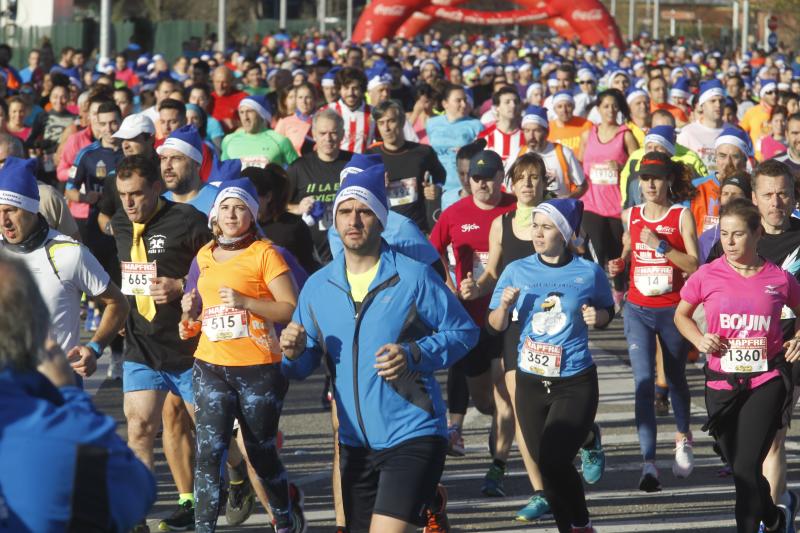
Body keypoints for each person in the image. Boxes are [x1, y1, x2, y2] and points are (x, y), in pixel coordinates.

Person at [280, 162, 479, 533]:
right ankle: (430, 505)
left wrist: (414, 355)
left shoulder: (412, 276)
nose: (354, 220)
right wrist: (290, 354)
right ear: (335, 221)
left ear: (382, 219)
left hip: (413, 433)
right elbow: (301, 365)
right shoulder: (318, 287)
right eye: (345, 211)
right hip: (355, 445)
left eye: (364, 211)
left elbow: (464, 331)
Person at [178, 178, 306, 533]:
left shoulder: (265, 254)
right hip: (210, 365)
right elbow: (201, 316)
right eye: (226, 207)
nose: (232, 214)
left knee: (260, 453)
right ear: (214, 215)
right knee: (208, 453)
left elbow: (290, 309)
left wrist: (247, 302)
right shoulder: (204, 255)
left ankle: (284, 518)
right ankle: (204, 528)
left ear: (252, 214)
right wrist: (188, 315)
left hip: (258, 368)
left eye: (240, 208)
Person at [0, 253, 156, 532]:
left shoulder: (70, 252)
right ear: (33, 326)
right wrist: (68, 395)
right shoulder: (65, 429)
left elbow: (116, 301)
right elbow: (136, 492)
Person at [487, 198, 614, 533]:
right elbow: (495, 325)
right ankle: (569, 527)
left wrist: (597, 316)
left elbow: (607, 310)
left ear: (564, 232)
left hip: (574, 380)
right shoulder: (517, 270)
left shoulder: (587, 272)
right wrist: (503, 306)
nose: (537, 233)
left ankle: (582, 523)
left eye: (546, 227)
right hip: (530, 381)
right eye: (535, 226)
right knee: (547, 467)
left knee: (556, 459)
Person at [674, 198, 800, 533]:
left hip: (766, 380)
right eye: (724, 234)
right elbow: (681, 315)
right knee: (741, 468)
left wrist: (798, 337)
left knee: (745, 468)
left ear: (758, 234)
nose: (728, 242)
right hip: (721, 383)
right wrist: (699, 340)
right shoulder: (707, 274)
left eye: (738, 234)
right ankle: (775, 518)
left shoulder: (780, 278)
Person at [110, 154, 213, 532]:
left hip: (189, 345)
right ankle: (136, 516)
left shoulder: (188, 221)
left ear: (157, 187)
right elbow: (123, 270)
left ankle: (238, 478)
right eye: (123, 195)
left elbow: (222, 269)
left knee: (211, 430)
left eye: (137, 193)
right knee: (138, 426)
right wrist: (122, 308)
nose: (129, 203)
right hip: (141, 343)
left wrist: (183, 285)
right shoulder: (121, 223)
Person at [608, 152, 699, 491]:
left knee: (675, 379)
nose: (650, 184)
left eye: (657, 178)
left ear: (669, 181)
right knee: (644, 383)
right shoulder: (629, 215)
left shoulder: (681, 215)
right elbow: (626, 254)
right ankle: (649, 464)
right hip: (638, 310)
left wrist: (660, 245)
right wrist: (618, 265)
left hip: (673, 310)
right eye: (645, 178)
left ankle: (682, 438)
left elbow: (694, 266)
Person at [430, 149, 518, 492]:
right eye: (476, 178)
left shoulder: (515, 209)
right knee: (484, 400)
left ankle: (497, 466)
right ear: (468, 180)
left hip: (510, 315)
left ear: (501, 177)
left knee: (505, 394)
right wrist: (449, 283)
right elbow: (431, 249)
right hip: (470, 319)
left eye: (489, 176)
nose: (482, 183)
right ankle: (499, 431)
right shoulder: (455, 213)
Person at [0, 156, 128, 376]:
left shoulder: (69, 253)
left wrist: (94, 348)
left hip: (57, 384)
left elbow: (118, 303)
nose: (3, 221)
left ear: (31, 208)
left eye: (11, 210)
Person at [579, 89, 639, 307]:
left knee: (616, 254)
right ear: (598, 108)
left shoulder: (626, 135)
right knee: (596, 251)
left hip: (616, 205)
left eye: (614, 106)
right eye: (606, 106)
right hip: (591, 203)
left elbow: (637, 166)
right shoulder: (588, 134)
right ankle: (593, 295)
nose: (610, 110)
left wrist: (622, 166)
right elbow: (578, 164)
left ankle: (619, 291)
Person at [367, 99, 445, 232]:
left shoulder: (423, 152)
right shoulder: (370, 156)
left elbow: (440, 176)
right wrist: (376, 186)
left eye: (391, 121)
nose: (386, 128)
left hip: (417, 229)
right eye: (381, 123)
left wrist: (436, 188)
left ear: (402, 121)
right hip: (384, 232)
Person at [287, 109, 353, 264]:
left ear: (342, 134)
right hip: (309, 253)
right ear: (314, 134)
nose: (328, 139)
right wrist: (297, 208)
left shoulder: (353, 163)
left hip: (349, 250)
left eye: (333, 133)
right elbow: (278, 207)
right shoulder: (299, 167)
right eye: (323, 133)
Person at [244, 163, 318, 273]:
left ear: (268, 196)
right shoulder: (234, 226)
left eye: (252, 198)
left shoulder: (293, 226)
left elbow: (309, 267)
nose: (245, 205)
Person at [622, 124, 708, 209]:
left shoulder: (686, 174)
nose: (653, 151)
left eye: (659, 147)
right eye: (649, 147)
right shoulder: (635, 178)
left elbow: (699, 205)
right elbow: (628, 209)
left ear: (670, 151)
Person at [427, 83, 484, 209]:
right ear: (445, 103)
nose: (464, 104)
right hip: (436, 188)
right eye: (458, 100)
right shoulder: (431, 123)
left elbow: (482, 157)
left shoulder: (476, 125)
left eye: (465, 100)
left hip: (462, 187)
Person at [691, 126, 751, 235]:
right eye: (722, 156)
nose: (728, 162)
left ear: (744, 160)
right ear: (715, 157)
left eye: (735, 156)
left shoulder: (753, 189)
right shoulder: (696, 187)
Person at [516, 105, 586, 198]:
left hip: (557, 209)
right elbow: (509, 188)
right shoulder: (518, 154)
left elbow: (582, 185)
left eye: (536, 130)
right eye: (527, 131)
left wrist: (568, 199)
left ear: (546, 132)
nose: (531, 136)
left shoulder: (564, 152)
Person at [221, 95, 298, 168]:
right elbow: (223, 173)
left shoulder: (280, 141)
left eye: (250, 111)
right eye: (241, 112)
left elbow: (299, 171)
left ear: (262, 115)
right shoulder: (228, 140)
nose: (245, 117)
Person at [677, 80, 726, 173]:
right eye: (713, 101)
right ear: (702, 105)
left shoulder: (734, 131)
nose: (718, 105)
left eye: (722, 101)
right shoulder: (687, 133)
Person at [325, 67, 374, 153]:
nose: (350, 93)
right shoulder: (327, 111)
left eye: (355, 88)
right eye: (346, 88)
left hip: (363, 165)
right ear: (339, 90)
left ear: (362, 90)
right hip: (336, 165)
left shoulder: (373, 113)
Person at [478, 86, 525, 168]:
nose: (513, 105)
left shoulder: (527, 136)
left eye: (516, 102)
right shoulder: (484, 137)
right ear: (497, 108)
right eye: (507, 102)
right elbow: (479, 167)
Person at [274, 81, 316, 155]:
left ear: (314, 99)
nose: (304, 101)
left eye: (308, 97)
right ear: (296, 100)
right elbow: (275, 148)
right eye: (300, 97)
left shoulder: (321, 121)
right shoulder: (284, 122)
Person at [547, 91, 592, 155]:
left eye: (568, 106)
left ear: (573, 107)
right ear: (554, 109)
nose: (564, 110)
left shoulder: (586, 125)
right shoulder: (547, 128)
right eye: (560, 107)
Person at [741, 80, 778, 152]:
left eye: (776, 92)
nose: (774, 95)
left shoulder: (783, 112)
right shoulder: (752, 111)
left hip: (777, 157)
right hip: (757, 158)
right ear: (762, 95)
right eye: (769, 92)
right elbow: (741, 133)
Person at [211, 66, 248, 132]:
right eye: (217, 82)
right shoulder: (208, 98)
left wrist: (236, 123)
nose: (220, 86)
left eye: (224, 82)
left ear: (231, 81)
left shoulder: (242, 97)